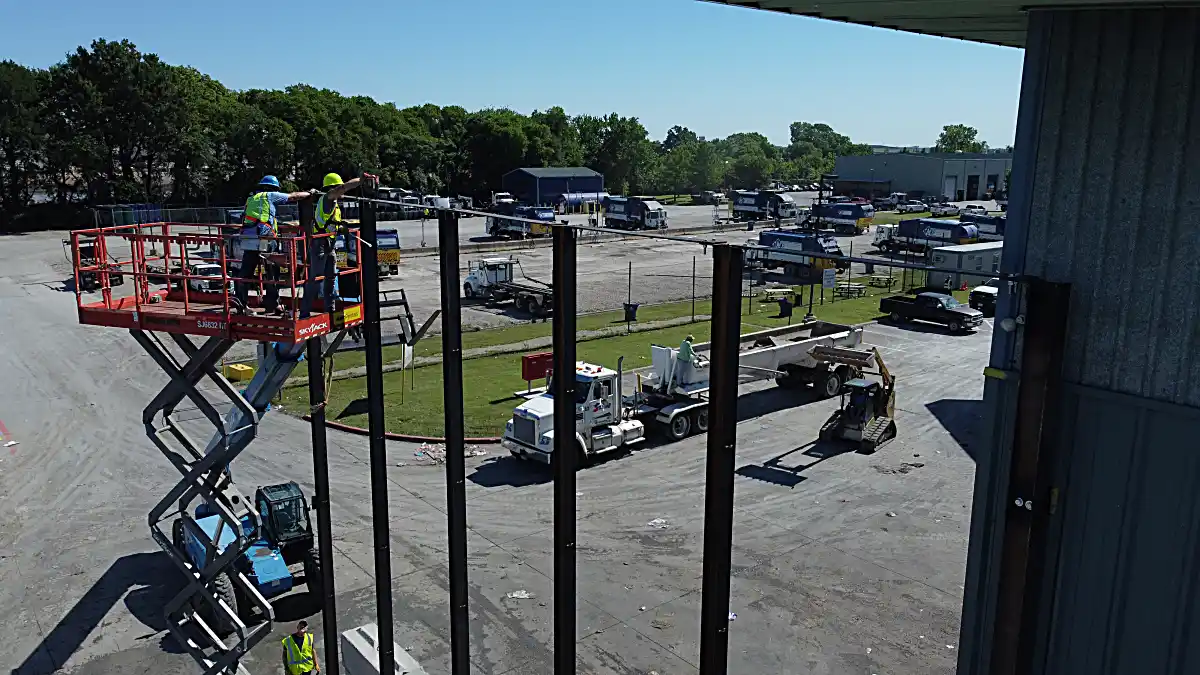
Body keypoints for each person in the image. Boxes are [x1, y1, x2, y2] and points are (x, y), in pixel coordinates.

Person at [301, 172, 377, 318]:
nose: (342, 193)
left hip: (330, 244)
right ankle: (304, 312)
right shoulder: (327, 198)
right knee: (315, 279)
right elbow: (342, 188)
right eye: (337, 188)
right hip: (320, 245)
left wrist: (341, 228)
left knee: (331, 277)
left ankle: (329, 308)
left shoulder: (334, 205)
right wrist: (360, 181)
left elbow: (331, 223)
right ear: (332, 188)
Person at [236, 175, 314, 314]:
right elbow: (293, 196)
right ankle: (273, 303)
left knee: (245, 272)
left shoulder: (251, 199)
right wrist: (310, 193)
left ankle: (241, 303)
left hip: (249, 237)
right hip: (264, 238)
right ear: (274, 188)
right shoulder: (270, 195)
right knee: (272, 272)